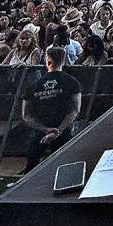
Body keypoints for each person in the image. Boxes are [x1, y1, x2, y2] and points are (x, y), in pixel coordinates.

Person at [20, 46, 82, 174]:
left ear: (47, 60)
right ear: (63, 60)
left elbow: (26, 116)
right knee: (62, 169)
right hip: (62, 130)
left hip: (40, 131)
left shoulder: (34, 85)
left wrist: (45, 130)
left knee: (31, 169)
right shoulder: (72, 82)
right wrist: (58, 130)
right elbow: (75, 111)